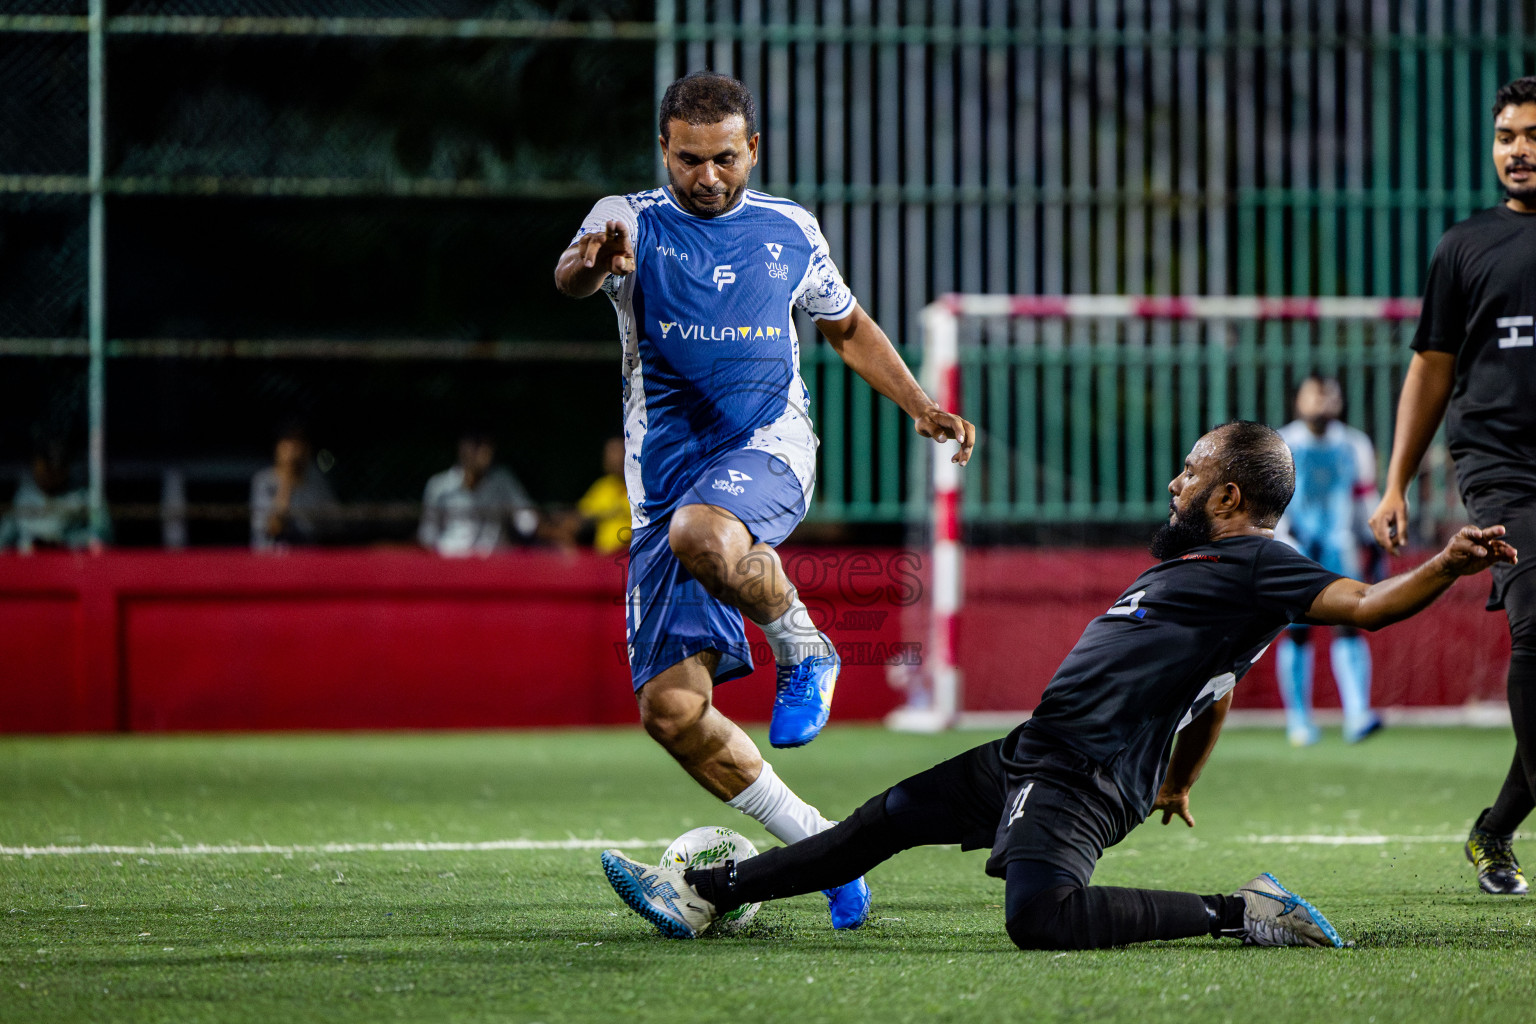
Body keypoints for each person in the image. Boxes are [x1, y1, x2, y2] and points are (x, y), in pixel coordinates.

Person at [602, 422, 1515, 949]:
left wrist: (1442, 564)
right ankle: (709, 896)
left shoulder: (1262, 566)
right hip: (1037, 754)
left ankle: (1246, 913)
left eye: (1192, 470)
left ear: (1230, 496)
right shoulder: (1203, 571)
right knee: (877, 825)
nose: (1175, 479)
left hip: (1079, 774)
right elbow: (1222, 690)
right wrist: (1183, 778)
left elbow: (1367, 603)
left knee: (1039, 919)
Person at [554, 71, 975, 930]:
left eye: (723, 159)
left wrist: (921, 406)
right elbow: (572, 272)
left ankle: (807, 647)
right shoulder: (630, 219)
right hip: (663, 490)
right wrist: (589, 261)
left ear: (754, 150)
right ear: (663, 152)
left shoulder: (789, 229)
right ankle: (824, 847)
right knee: (672, 712)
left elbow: (847, 327)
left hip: (767, 451)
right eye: (688, 160)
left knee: (704, 533)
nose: (707, 177)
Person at [1370, 75, 1536, 897]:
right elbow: (1431, 370)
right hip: (1500, 464)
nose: (1519, 149)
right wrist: (1397, 482)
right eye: (1507, 135)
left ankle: (1495, 828)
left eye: (1533, 134)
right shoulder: (1464, 246)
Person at [1274, 376, 1383, 745]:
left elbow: (1365, 496)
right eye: (1314, 394)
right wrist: (1286, 535)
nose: (1321, 402)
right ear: (1298, 400)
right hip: (1294, 546)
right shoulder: (1282, 444)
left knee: (1350, 622)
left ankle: (1357, 714)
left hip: (1341, 544)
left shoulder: (1354, 444)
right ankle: (1299, 720)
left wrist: (1374, 543)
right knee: (1296, 629)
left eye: (1329, 394)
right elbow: (1271, 502)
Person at [418, 429, 538, 556]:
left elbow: (527, 522)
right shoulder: (439, 485)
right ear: (463, 449)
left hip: (491, 562)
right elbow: (428, 534)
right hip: (450, 560)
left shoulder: (503, 482)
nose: (485, 452)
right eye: (478, 445)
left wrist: (535, 521)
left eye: (488, 446)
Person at [0, 436, 105, 552]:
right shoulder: (21, 490)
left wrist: (63, 544)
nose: (49, 473)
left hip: (68, 562)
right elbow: (4, 540)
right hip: (26, 562)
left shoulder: (82, 496)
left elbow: (103, 539)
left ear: (66, 469)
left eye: (57, 467)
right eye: (45, 465)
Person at [250, 421, 339, 551]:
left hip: (308, 558)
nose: (293, 450)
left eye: (298, 443)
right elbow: (274, 527)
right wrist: (287, 480)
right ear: (277, 448)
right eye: (288, 443)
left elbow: (335, 525)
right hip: (271, 561)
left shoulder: (315, 479)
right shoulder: (263, 481)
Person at [575, 437, 631, 555]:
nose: (615, 459)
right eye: (610, 454)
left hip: (633, 554)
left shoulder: (640, 487)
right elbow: (581, 516)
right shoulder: (602, 487)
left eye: (619, 452)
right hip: (605, 556)